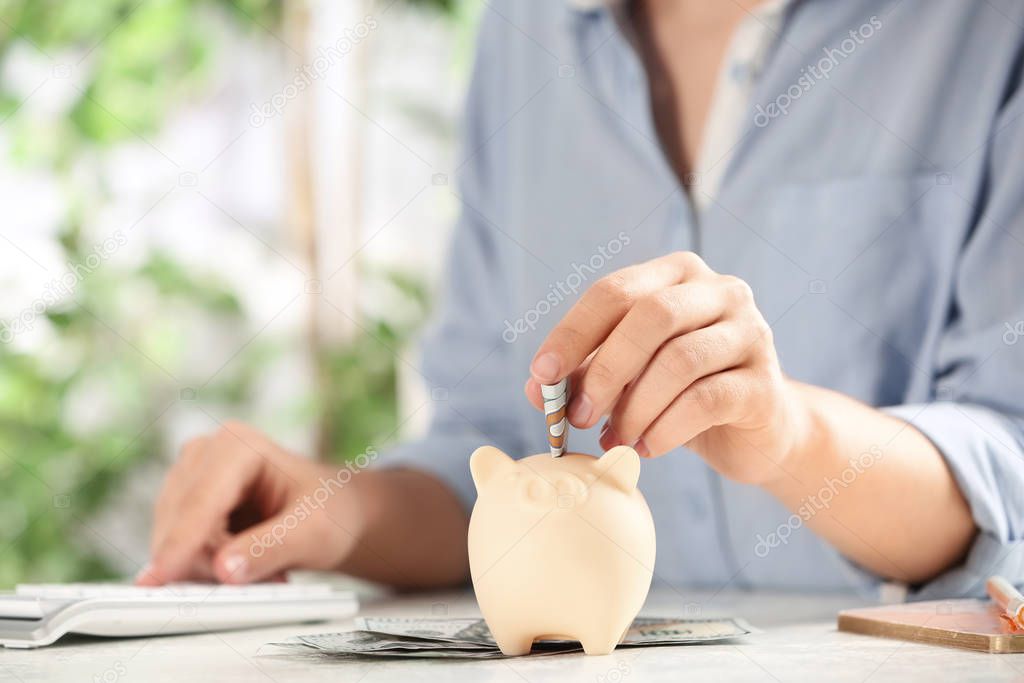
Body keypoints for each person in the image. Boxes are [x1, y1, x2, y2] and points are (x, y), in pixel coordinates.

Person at [138, 0, 1024, 598]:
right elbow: (490, 455)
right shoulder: (526, 29)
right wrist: (343, 508)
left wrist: (788, 436)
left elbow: (1008, 465)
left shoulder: (983, 29)